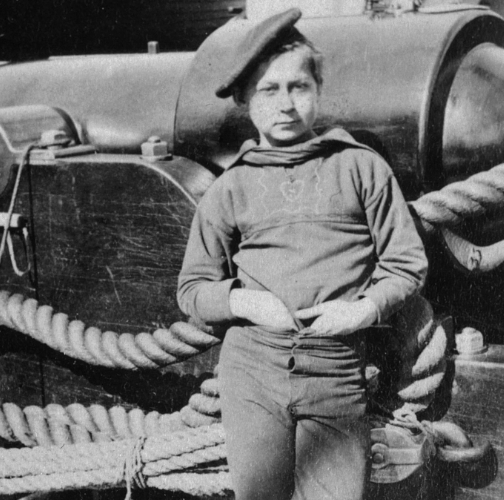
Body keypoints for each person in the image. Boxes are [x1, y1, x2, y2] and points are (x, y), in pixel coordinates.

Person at [177, 8, 427, 500]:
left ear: (319, 89)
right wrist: (246, 303)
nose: (286, 104)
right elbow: (192, 290)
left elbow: (406, 263)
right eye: (268, 90)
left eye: (299, 87)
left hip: (336, 371)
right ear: (245, 100)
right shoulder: (230, 188)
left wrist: (362, 311)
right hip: (254, 371)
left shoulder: (360, 169)